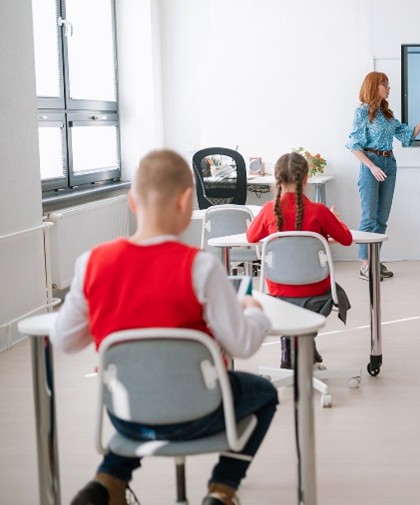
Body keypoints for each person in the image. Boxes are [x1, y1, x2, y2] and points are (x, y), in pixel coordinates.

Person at [50, 149, 275, 505]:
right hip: (198, 412)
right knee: (265, 392)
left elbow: (65, 340)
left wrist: (108, 307)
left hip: (125, 413)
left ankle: (109, 480)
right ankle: (222, 489)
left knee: (145, 390)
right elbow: (243, 344)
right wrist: (254, 311)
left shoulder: (90, 263)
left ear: (131, 201)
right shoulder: (200, 267)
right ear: (187, 201)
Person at [246, 151, 353, 369]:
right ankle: (304, 344)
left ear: (277, 180)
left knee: (289, 300)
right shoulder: (320, 211)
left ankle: (290, 346)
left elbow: (250, 237)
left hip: (278, 291)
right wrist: (337, 221)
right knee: (327, 291)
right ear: (306, 179)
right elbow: (347, 239)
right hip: (316, 291)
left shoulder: (268, 211)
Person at [347, 71, 420, 280]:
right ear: (374, 86)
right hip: (371, 165)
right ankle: (366, 265)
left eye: (388, 84)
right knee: (369, 216)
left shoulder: (386, 114)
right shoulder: (362, 112)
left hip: (389, 164)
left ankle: (376, 261)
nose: (388, 88)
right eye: (385, 84)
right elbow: (354, 145)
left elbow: (408, 136)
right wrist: (371, 166)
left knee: (382, 219)